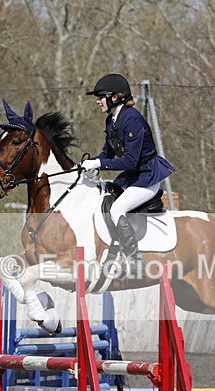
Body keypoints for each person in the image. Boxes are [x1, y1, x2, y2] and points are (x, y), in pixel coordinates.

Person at [81, 73, 175, 262]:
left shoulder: (132, 119)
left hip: (147, 177)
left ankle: (134, 259)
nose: (98, 101)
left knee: (116, 210)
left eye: (101, 97)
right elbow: (107, 155)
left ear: (114, 97)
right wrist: (88, 166)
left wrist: (98, 163)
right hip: (131, 176)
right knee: (104, 196)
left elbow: (131, 161)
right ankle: (112, 248)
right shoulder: (111, 120)